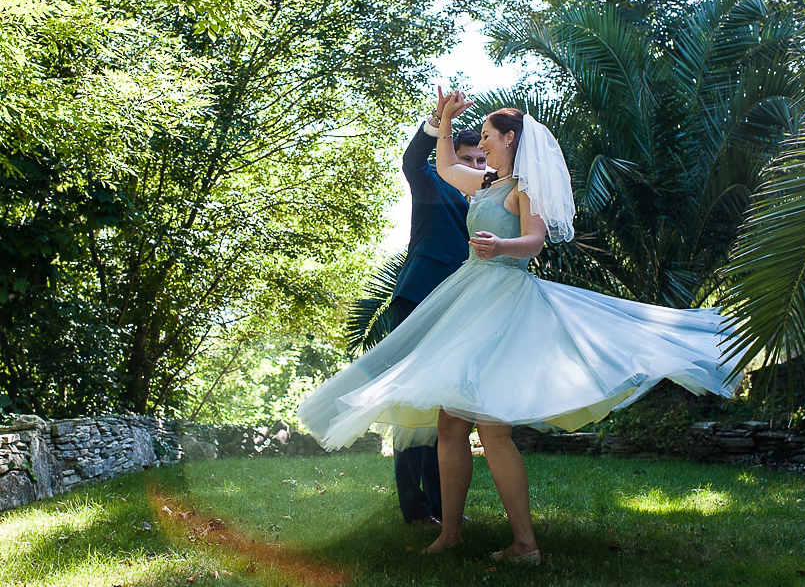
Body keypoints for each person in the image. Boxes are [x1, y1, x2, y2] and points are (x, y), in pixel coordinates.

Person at [298, 91, 743, 564]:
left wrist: (501, 246)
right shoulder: (485, 184)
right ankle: (450, 533)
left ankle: (525, 544)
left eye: (488, 136)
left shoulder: (521, 189)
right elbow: (445, 167)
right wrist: (445, 120)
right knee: (450, 425)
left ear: (510, 138)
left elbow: (533, 240)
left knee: (492, 428)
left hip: (503, 302)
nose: (483, 143)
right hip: (469, 299)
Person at [389, 88, 485, 529]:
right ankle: (415, 508)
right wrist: (436, 122)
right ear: (452, 157)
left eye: (481, 160)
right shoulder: (432, 182)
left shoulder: (487, 198)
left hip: (461, 308)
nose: (476, 167)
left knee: (447, 407)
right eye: (468, 159)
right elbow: (412, 161)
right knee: (415, 402)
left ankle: (447, 509)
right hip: (418, 298)